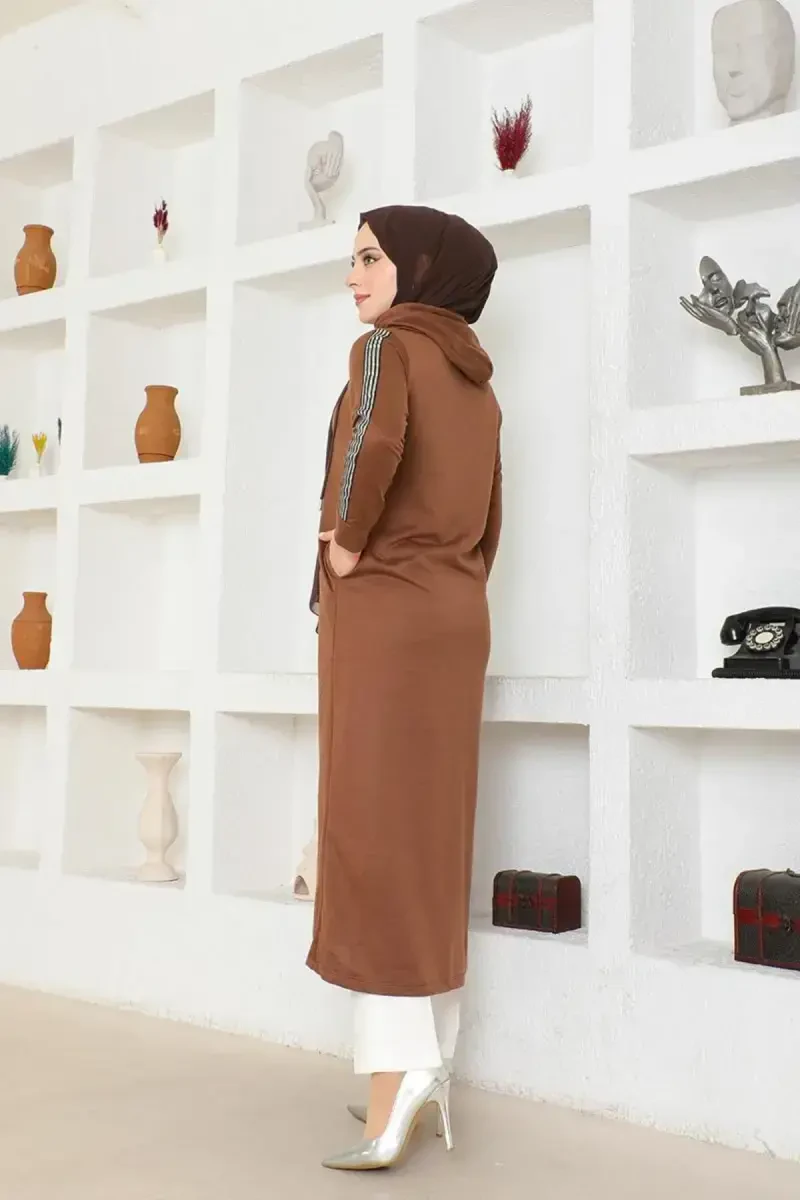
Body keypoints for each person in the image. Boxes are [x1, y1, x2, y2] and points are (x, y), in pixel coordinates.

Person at [307, 204, 502, 1172]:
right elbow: (490, 522)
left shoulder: (387, 349)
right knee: (429, 840)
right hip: (455, 620)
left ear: (419, 270)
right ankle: (431, 1063)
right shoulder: (479, 382)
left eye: (369, 257)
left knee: (374, 841)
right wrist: (447, 584)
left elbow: (371, 449)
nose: (353, 276)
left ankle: (393, 1085)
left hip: (387, 621)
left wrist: (346, 546)